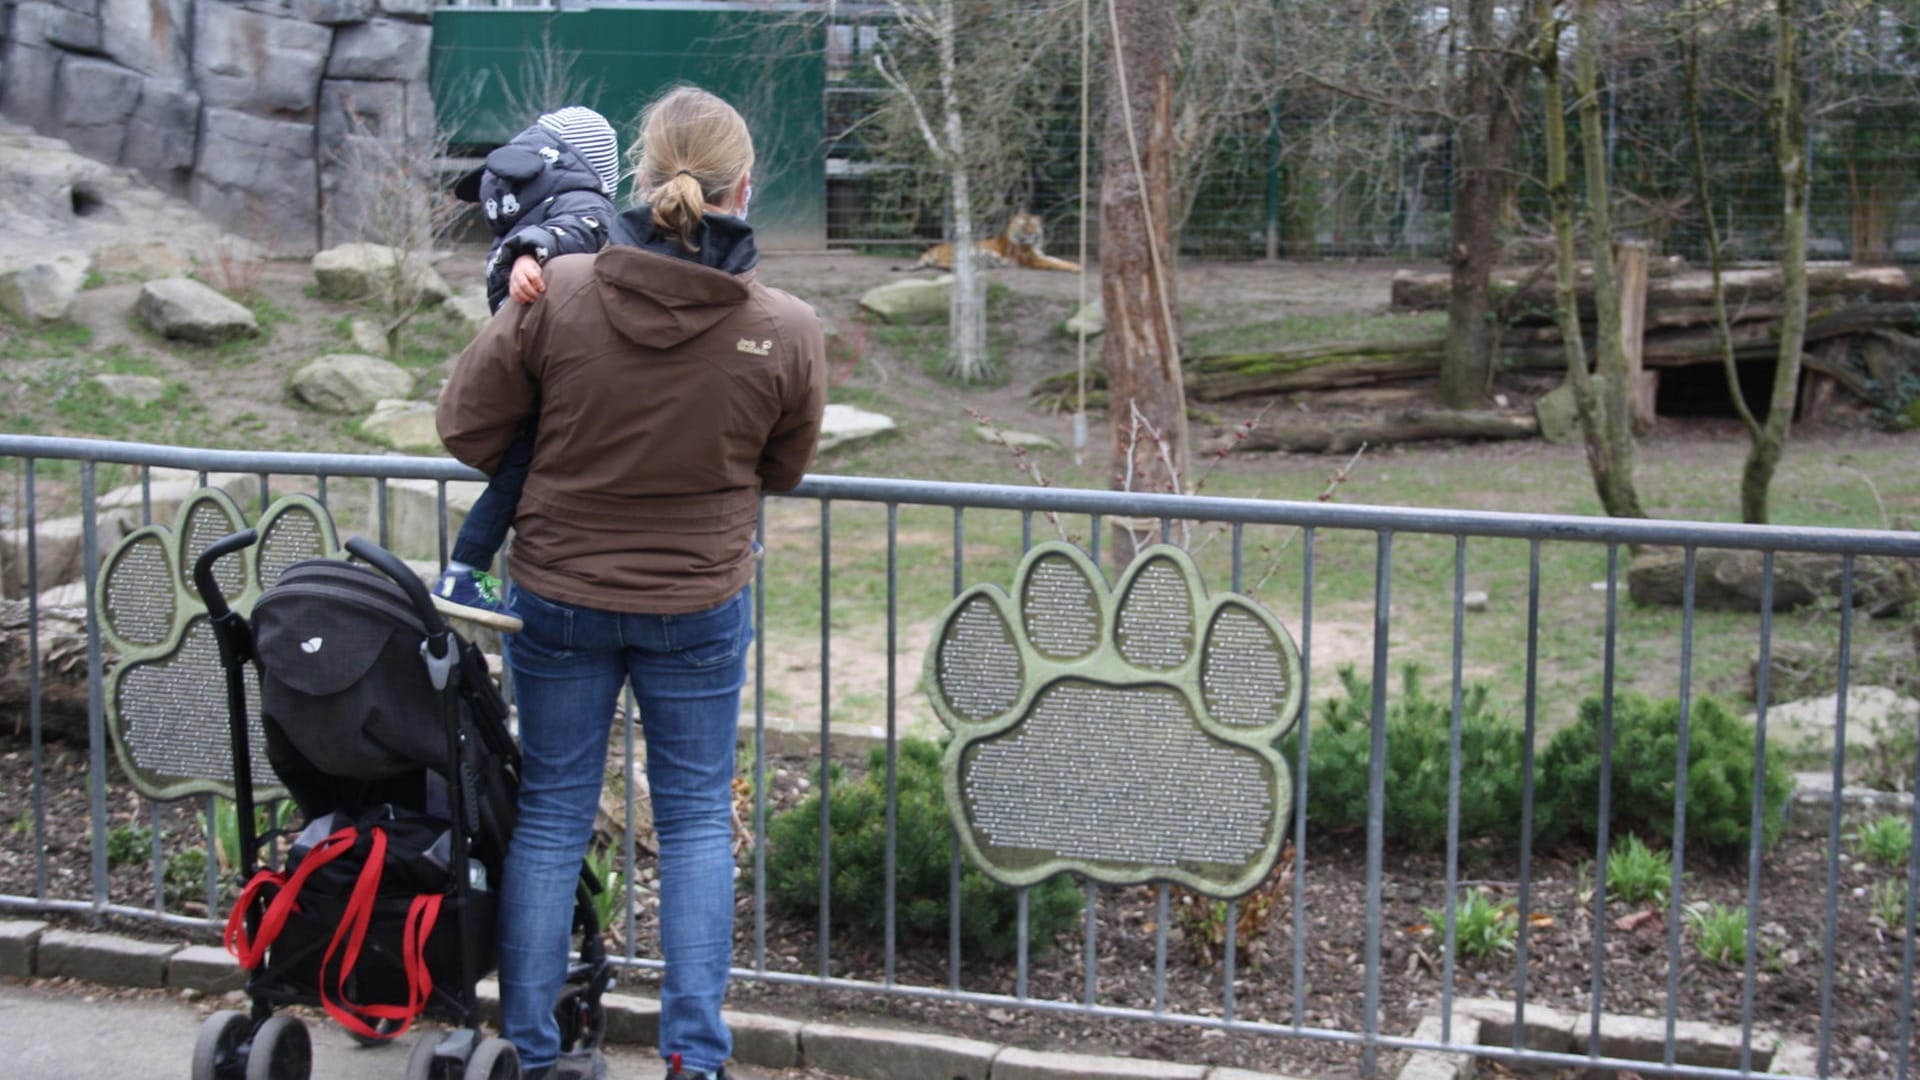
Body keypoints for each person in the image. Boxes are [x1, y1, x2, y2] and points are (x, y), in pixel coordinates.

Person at [438, 85, 827, 1080]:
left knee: (555, 810)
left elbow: (466, 427)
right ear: (744, 186)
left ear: (637, 179)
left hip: (558, 598)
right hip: (698, 604)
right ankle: (694, 1059)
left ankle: (532, 1052)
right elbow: (781, 469)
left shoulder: (554, 293)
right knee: (696, 820)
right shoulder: (784, 329)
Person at [437, 105, 624, 630]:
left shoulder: (531, 209)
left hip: (540, 372)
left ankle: (466, 574)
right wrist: (531, 251)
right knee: (655, 424)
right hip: (567, 368)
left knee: (516, 477)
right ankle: (706, 529)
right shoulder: (580, 207)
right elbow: (578, 228)